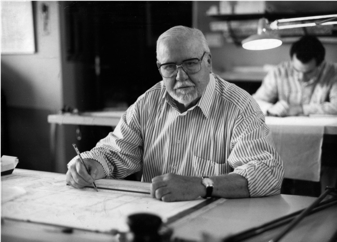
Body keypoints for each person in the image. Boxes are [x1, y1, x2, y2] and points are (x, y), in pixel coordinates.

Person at [66, 26, 284, 202]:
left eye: (190, 63)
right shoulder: (148, 103)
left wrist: (201, 185)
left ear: (208, 62)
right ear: (159, 68)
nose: (180, 77)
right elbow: (114, 153)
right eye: (169, 67)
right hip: (155, 220)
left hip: (215, 222)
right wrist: (91, 165)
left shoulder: (239, 105)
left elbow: (266, 173)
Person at [253, 35, 337, 117]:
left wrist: (302, 109)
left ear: (321, 65)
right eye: (297, 70)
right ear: (292, 60)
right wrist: (269, 108)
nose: (301, 77)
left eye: (308, 72)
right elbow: (253, 102)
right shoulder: (279, 72)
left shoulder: (333, 72)